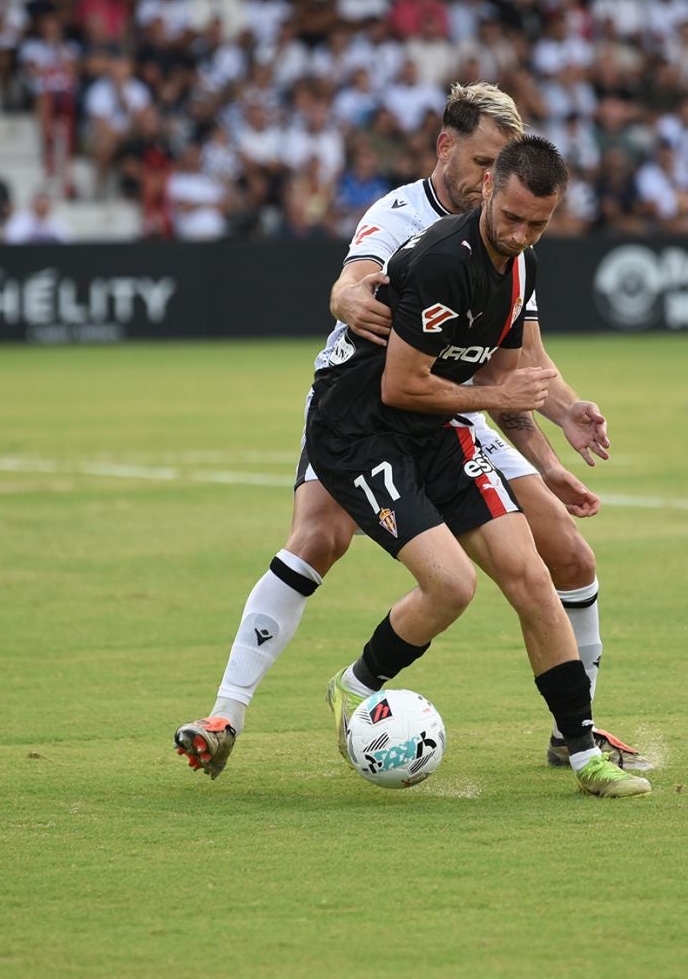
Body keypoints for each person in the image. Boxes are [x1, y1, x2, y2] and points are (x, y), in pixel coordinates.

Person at [173, 84, 646, 783]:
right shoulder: (405, 222)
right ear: (447, 146)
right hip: (368, 408)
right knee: (320, 537)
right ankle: (228, 711)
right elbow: (352, 293)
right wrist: (363, 302)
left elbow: (522, 366)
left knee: (562, 558)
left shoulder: (514, 246)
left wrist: (559, 424)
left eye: (502, 167)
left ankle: (574, 735)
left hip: (453, 407)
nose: (490, 183)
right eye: (483, 163)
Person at [309, 136, 649, 799]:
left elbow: (508, 378)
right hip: (360, 431)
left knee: (530, 575)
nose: (521, 234)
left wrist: (552, 450)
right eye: (513, 217)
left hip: (435, 427)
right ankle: (351, 691)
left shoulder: (521, 269)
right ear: (489, 188)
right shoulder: (442, 261)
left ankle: (584, 756)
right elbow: (401, 387)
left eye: (539, 224)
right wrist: (499, 399)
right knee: (452, 585)